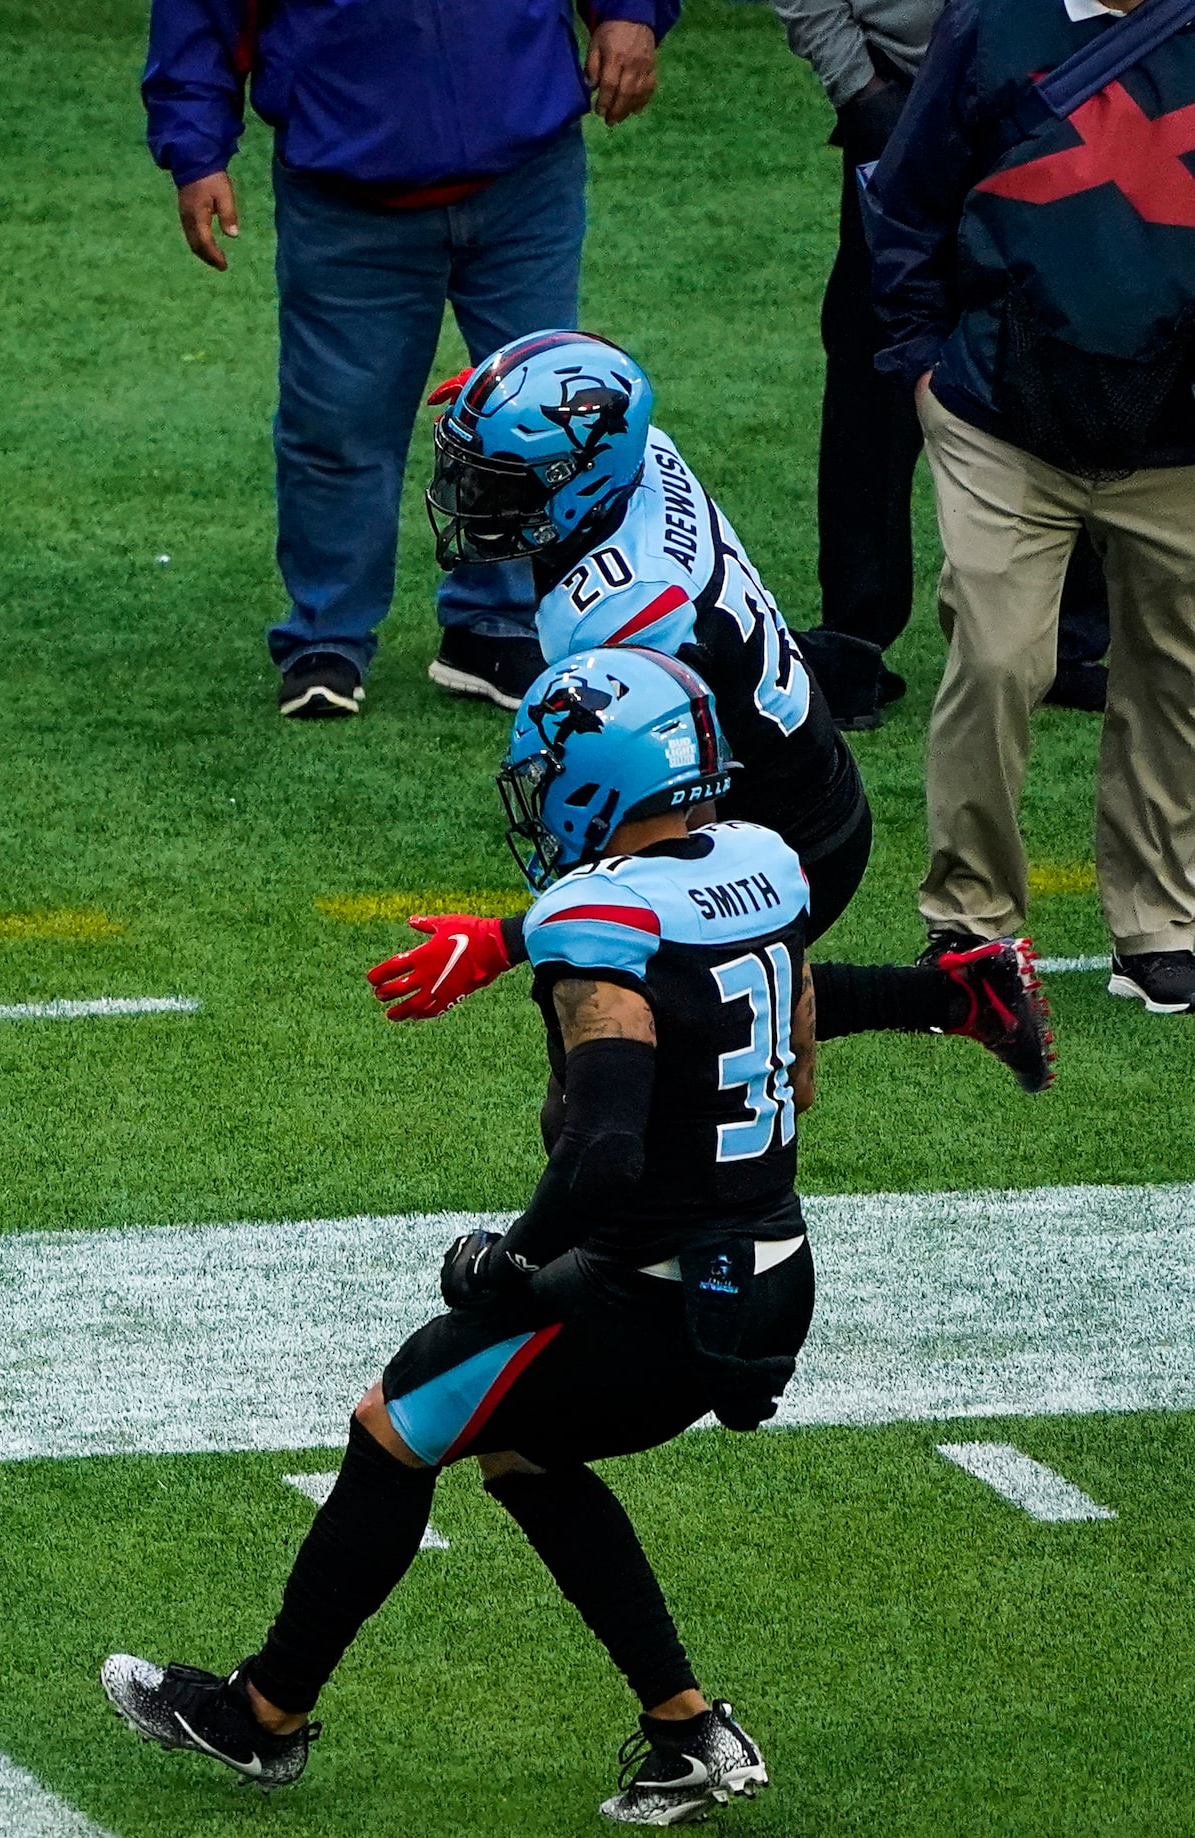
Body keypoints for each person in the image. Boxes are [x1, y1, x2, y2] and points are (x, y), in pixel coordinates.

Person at [103, 647, 813, 1826]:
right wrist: (949, 1000)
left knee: (398, 1423)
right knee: (518, 1448)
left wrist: (515, 1256)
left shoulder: (606, 921)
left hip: (654, 1290)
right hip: (766, 1268)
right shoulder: (758, 866)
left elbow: (605, 1153)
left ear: (601, 774)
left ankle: (264, 1716)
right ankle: (687, 1729)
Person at [365, 331, 1054, 1089]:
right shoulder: (639, 455)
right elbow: (606, 403)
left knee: (633, 1010)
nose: (476, 501)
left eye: (503, 483)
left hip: (773, 824)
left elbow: (645, 831)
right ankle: (963, 994)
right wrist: (497, 406)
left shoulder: (616, 620)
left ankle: (603, 1202)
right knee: (715, 990)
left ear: (580, 479)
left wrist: (505, 941)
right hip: (802, 766)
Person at [142, 0, 675, 720]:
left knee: (542, 419)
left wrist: (631, 11)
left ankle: (495, 627)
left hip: (526, 165)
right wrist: (194, 148)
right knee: (337, 421)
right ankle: (325, 637)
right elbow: (199, 10)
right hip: (345, 181)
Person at [868, 0, 1195, 1014]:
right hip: (1001, 421)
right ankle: (971, 921)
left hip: (1178, 442)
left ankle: (1161, 925)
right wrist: (921, 366)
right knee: (1001, 658)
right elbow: (910, 195)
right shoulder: (994, 23)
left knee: (1177, 675)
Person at [766, 0, 1110, 728]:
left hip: (1058, 79)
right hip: (898, 95)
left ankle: (1064, 639)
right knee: (877, 365)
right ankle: (854, 638)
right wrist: (858, 89)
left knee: (1064, 331)